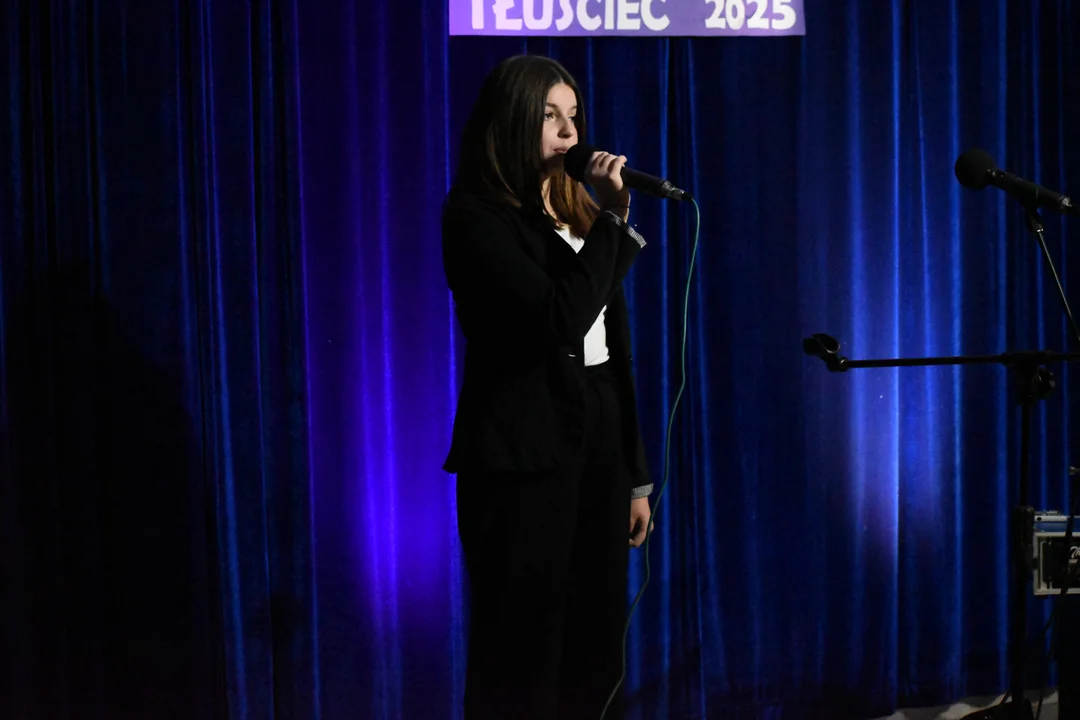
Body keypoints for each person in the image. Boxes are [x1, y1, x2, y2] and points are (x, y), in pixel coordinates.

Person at [441, 54, 654, 720]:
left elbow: (612, 354)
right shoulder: (476, 217)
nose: (569, 133)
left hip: (597, 443)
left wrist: (634, 476)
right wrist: (614, 222)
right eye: (549, 116)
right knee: (523, 651)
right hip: (523, 456)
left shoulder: (573, 209)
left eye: (574, 116)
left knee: (596, 645)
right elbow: (558, 321)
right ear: (510, 120)